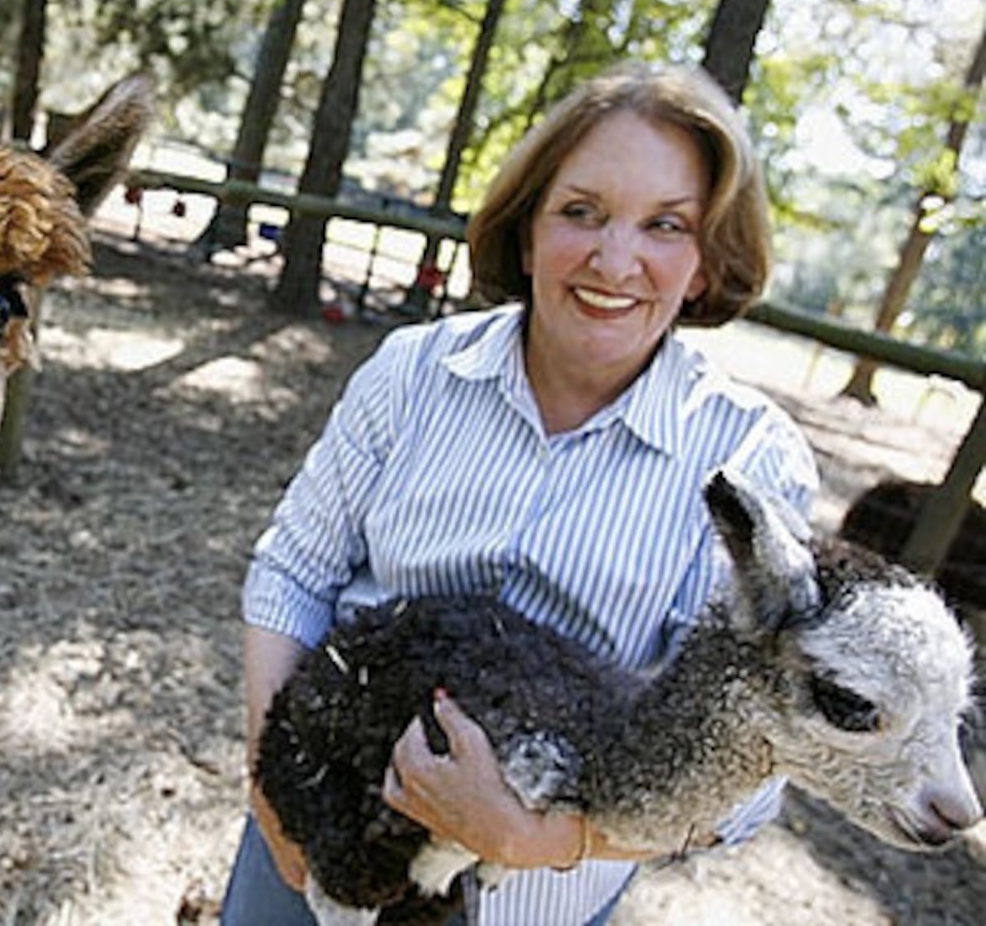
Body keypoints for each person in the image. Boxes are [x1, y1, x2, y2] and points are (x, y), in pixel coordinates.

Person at [219, 61, 819, 926]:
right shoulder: (412, 374)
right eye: (580, 212)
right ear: (528, 227)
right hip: (316, 829)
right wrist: (276, 792)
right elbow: (292, 573)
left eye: (665, 226)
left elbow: (748, 765)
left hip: (531, 902)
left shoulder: (750, 463)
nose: (616, 260)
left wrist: (544, 841)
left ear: (703, 264)